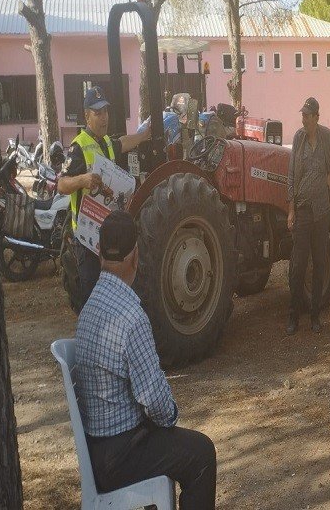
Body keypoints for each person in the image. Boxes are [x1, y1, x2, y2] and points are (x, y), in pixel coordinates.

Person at [75, 211, 216, 509]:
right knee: (202, 453)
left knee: (167, 441)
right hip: (122, 457)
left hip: (96, 452)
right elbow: (156, 403)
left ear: (99, 252)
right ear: (135, 256)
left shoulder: (88, 309)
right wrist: (171, 417)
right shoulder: (131, 316)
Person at [58, 86, 150, 307]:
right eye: (97, 113)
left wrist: (144, 135)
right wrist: (82, 180)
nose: (103, 118)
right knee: (91, 295)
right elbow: (61, 185)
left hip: (106, 236)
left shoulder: (106, 142)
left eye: (106, 112)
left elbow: (122, 143)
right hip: (86, 238)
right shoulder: (79, 146)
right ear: (86, 116)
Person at [286, 96, 330, 335]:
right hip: (302, 210)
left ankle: (315, 315)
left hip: (321, 211)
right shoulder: (298, 139)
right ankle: (293, 314)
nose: (304, 119)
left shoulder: (326, 137)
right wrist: (291, 209)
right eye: (303, 115)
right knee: (298, 264)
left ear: (316, 117)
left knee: (319, 262)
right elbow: (291, 176)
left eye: (308, 115)